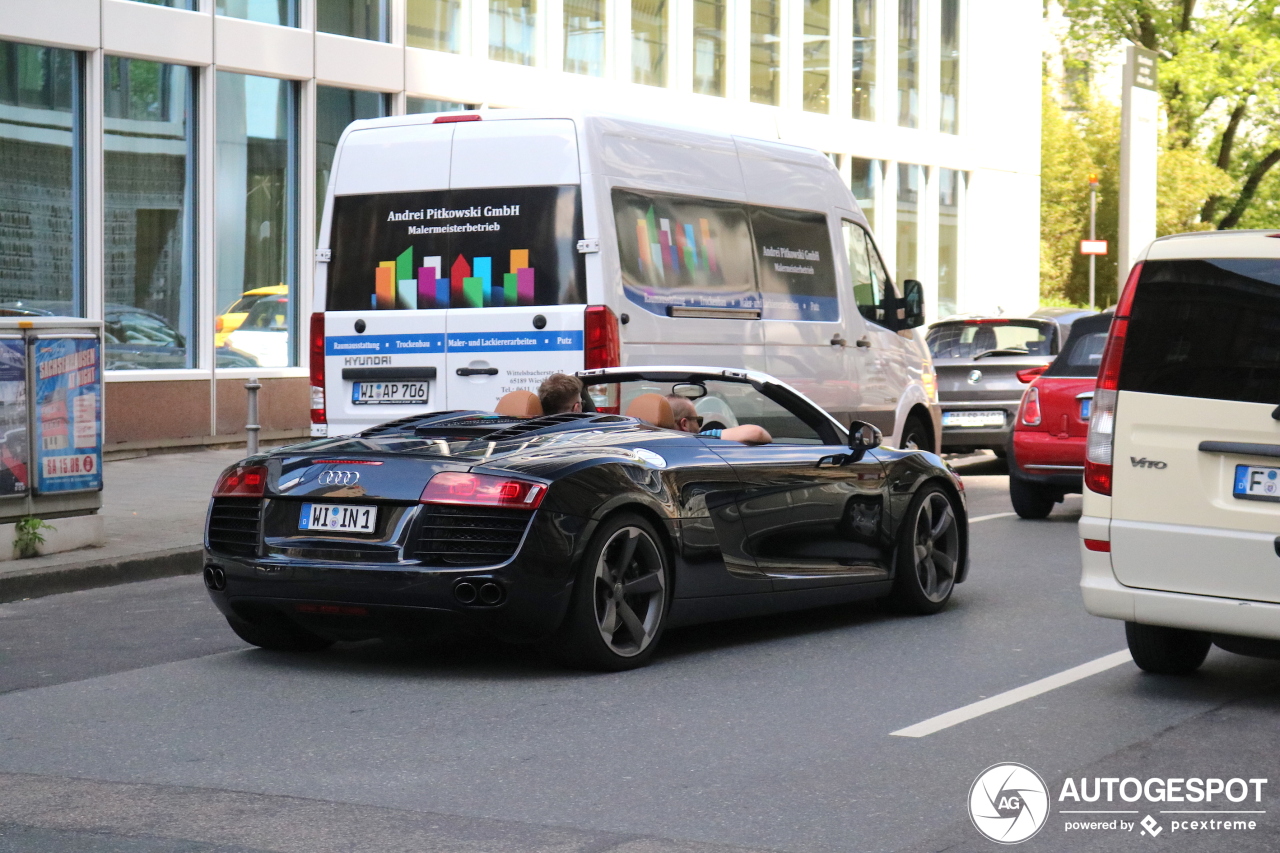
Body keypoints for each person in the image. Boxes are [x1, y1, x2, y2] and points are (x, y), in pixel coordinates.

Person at [665, 395, 771, 445]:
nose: (700, 426)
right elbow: (757, 433)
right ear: (684, 424)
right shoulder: (701, 440)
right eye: (698, 420)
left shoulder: (650, 441)